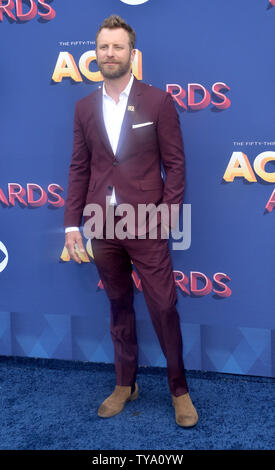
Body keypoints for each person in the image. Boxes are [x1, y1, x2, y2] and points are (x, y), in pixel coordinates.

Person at [64, 14, 198, 428]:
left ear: (131, 54)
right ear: (96, 53)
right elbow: (78, 168)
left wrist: (166, 215)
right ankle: (126, 383)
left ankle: (179, 389)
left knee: (163, 305)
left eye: (117, 47)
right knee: (118, 304)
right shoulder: (84, 107)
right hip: (102, 225)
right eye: (103, 47)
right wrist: (72, 226)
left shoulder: (158, 102)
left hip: (146, 222)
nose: (109, 53)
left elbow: (175, 166)